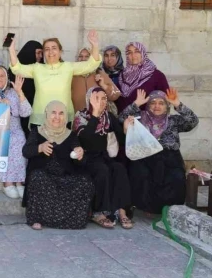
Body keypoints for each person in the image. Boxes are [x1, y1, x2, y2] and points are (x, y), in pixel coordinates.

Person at [119, 89, 199, 214]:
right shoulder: (139, 118)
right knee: (141, 175)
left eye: (161, 103)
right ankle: (147, 209)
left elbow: (192, 121)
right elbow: (121, 118)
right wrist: (136, 104)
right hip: (145, 156)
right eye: (153, 102)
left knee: (176, 178)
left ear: (167, 106)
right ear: (148, 104)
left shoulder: (173, 120)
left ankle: (171, 210)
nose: (157, 106)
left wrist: (177, 103)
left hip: (170, 157)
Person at [22, 101, 94, 230]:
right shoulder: (37, 132)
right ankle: (37, 219)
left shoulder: (71, 135)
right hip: (44, 177)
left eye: (61, 113)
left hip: (64, 177)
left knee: (85, 181)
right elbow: (26, 152)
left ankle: (72, 221)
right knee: (37, 177)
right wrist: (40, 147)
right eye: (53, 113)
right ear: (47, 114)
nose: (57, 117)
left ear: (65, 117)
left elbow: (80, 162)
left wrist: (80, 154)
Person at [9, 31, 102, 126]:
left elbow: (91, 65)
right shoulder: (37, 68)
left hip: (63, 116)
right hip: (40, 118)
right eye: (47, 49)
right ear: (44, 52)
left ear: (60, 51)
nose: (51, 52)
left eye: (54, 48)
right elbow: (17, 69)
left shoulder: (68, 67)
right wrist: (11, 49)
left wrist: (95, 45)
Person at [73, 88, 135, 229]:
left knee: (119, 169)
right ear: (89, 99)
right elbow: (85, 139)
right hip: (85, 157)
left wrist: (125, 129)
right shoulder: (80, 116)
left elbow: (122, 139)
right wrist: (94, 115)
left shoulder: (108, 116)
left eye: (103, 98)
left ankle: (122, 211)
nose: (100, 102)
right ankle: (98, 212)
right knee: (102, 170)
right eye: (96, 98)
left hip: (103, 156)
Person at [0, 66, 32, 199]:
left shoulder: (13, 93)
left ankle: (20, 182)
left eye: (2, 76)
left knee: (19, 140)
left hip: (14, 128)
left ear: (7, 77)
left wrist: (20, 93)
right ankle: (8, 183)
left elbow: (26, 112)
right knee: (4, 141)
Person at [115, 42, 170, 113]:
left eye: (137, 51)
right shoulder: (122, 75)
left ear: (143, 54)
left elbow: (165, 101)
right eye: (129, 52)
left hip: (146, 121)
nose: (133, 55)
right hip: (123, 120)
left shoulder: (156, 75)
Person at [8, 40, 43, 137]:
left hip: (36, 111)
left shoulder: (42, 68)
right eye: (38, 53)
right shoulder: (16, 70)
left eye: (41, 53)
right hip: (18, 112)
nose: (40, 56)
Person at [71, 48, 120, 115]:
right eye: (80, 56)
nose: (83, 59)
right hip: (79, 119)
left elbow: (116, 94)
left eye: (87, 56)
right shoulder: (72, 76)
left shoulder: (99, 72)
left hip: (99, 119)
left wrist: (103, 85)